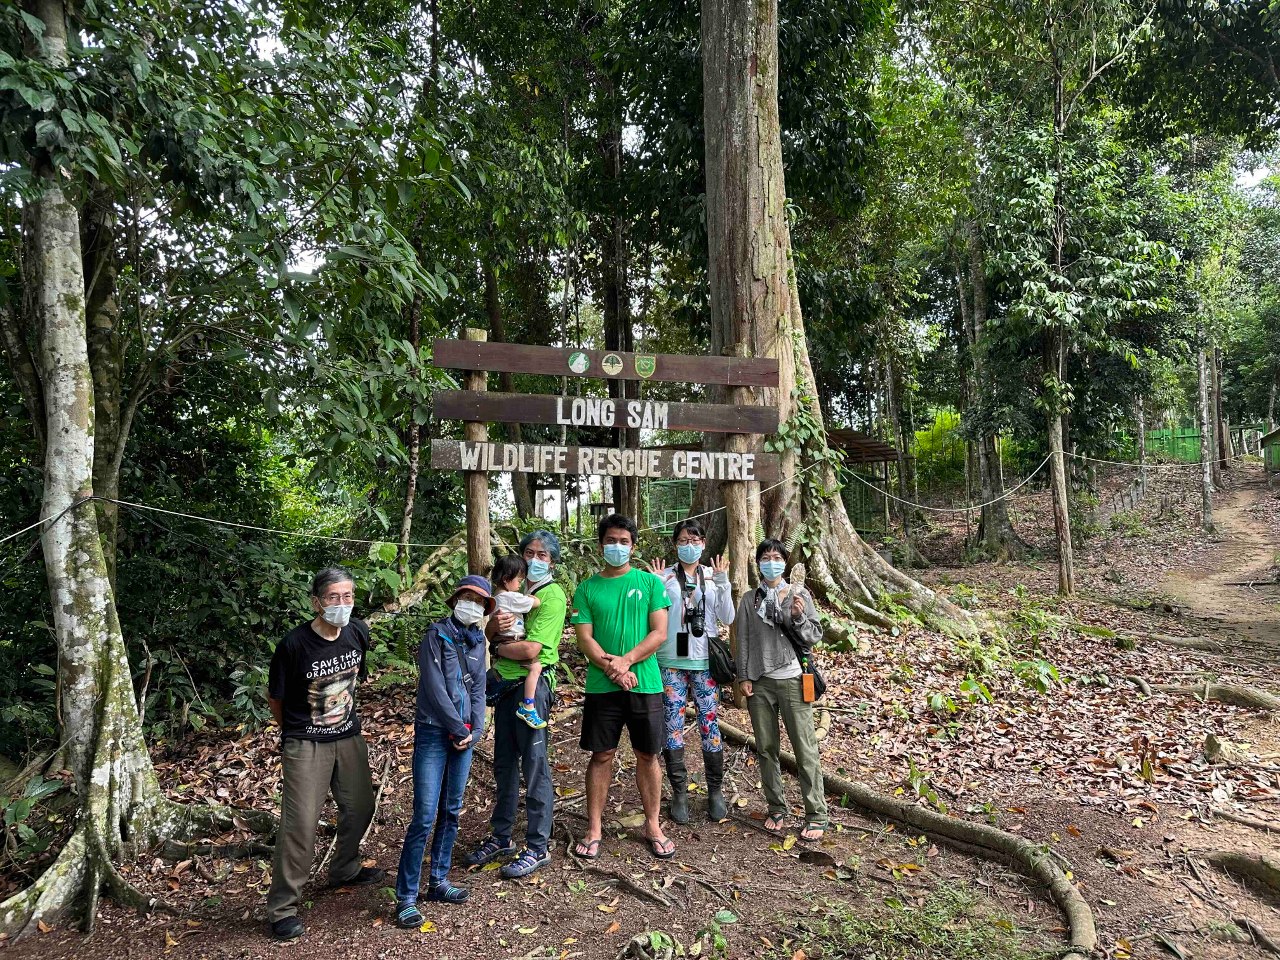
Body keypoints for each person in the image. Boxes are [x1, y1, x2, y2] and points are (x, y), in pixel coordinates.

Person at [266, 567, 383, 941]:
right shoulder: (294, 645)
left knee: (361, 806)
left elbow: (356, 681)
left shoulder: (357, 632)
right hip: (306, 742)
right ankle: (283, 907)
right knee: (300, 823)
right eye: (334, 597)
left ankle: (345, 868)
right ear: (316, 602)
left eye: (348, 596)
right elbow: (276, 698)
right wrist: (295, 733)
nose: (342, 604)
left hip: (348, 736)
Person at [572, 514, 674, 860]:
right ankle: (594, 828)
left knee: (648, 754)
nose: (617, 546)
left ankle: (653, 825)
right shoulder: (587, 588)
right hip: (603, 686)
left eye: (624, 541)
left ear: (633, 546)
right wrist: (612, 669)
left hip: (645, 683)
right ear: (600, 544)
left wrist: (626, 661)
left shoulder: (650, 584)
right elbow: (585, 639)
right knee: (602, 754)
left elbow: (659, 632)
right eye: (611, 540)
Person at [467, 531, 568, 879]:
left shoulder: (552, 596)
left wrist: (496, 647)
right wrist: (493, 632)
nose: (534, 559)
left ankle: (538, 845)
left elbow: (531, 649)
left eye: (542, 555)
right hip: (505, 685)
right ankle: (501, 836)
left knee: (534, 764)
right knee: (504, 763)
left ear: (552, 562)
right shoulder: (515, 590)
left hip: (532, 688)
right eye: (529, 553)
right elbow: (488, 635)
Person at [393, 575, 491, 928]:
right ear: (455, 600)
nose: (472, 605)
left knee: (451, 810)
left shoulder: (478, 641)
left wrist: (475, 730)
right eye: (468, 598)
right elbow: (434, 688)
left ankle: (438, 880)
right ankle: (406, 896)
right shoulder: (436, 636)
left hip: (463, 736)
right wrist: (458, 728)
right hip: (435, 732)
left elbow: (478, 689)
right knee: (424, 814)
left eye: (480, 602)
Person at [734, 539, 827, 842]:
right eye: (765, 557)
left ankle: (816, 814)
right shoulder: (750, 599)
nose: (771, 562)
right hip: (760, 681)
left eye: (776, 557)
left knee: (804, 748)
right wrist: (744, 676)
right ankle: (776, 808)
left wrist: (798, 617)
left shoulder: (800, 594)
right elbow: (743, 639)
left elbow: (814, 635)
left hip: (793, 679)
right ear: (758, 563)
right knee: (766, 747)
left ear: (785, 563)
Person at [647, 519, 735, 823]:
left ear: (704, 544)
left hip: (704, 663)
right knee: (672, 725)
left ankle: (715, 791)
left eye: (695, 540)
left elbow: (727, 617)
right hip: (671, 660)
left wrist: (723, 583)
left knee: (709, 725)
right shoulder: (665, 577)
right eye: (684, 540)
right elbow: (652, 617)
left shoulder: (711, 576)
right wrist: (655, 587)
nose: (690, 545)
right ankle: (680, 793)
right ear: (675, 544)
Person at [489, 554, 546, 729]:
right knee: (536, 668)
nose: (520, 584)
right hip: (512, 641)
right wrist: (531, 596)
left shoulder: (496, 598)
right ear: (507, 579)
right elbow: (536, 603)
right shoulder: (510, 597)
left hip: (503, 640)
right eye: (519, 580)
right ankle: (528, 707)